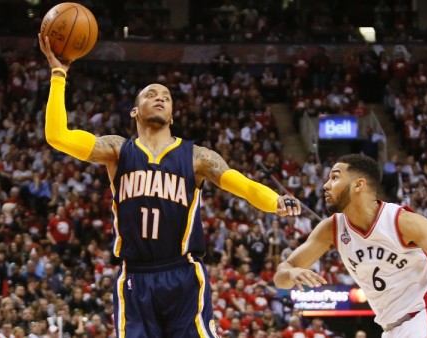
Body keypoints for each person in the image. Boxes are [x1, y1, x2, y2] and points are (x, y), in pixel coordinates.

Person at [39, 34, 301, 338]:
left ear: (172, 114)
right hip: (135, 277)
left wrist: (273, 201)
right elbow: (57, 136)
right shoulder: (116, 150)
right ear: (135, 111)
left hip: (183, 274)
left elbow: (240, 183)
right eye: (151, 94)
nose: (160, 97)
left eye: (165, 95)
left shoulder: (197, 157)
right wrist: (59, 75)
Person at [274, 154, 427, 338]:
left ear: (359, 184)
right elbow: (281, 278)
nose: (326, 185)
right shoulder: (331, 229)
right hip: (390, 330)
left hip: (424, 320)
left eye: (335, 177)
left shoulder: (402, 222)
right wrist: (292, 273)